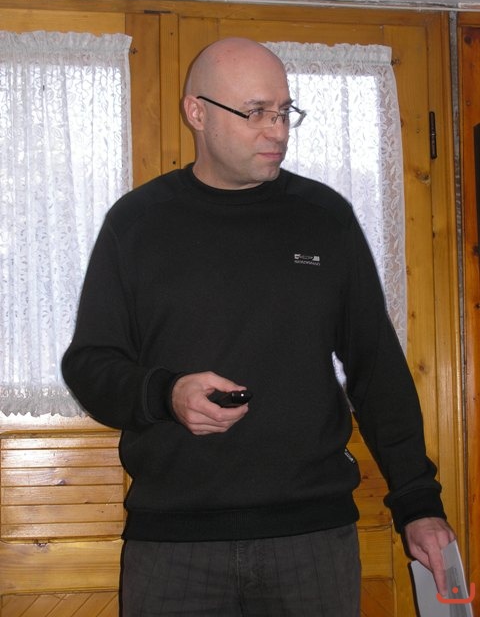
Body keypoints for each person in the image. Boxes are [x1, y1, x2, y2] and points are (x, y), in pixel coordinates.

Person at [62, 37, 455, 616]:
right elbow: (90, 364)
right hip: (173, 542)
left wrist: (418, 502)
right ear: (197, 112)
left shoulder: (325, 219)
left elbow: (376, 369)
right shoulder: (138, 223)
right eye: (255, 112)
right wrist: (166, 394)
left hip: (311, 538)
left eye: (284, 111)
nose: (277, 130)